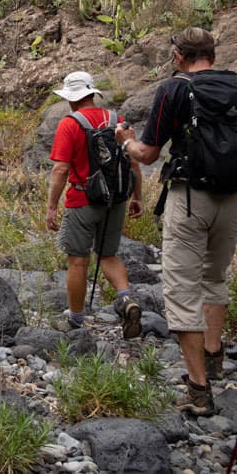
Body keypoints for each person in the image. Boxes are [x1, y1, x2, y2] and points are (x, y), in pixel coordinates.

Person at [115, 27, 237, 416]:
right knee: (214, 277)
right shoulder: (235, 85)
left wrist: (124, 141)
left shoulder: (175, 89)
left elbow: (148, 153)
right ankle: (214, 356)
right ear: (212, 54)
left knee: (183, 289)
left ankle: (199, 390)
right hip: (232, 197)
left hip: (189, 197)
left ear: (179, 54)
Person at [45, 71, 143, 337]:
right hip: (116, 199)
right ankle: (126, 298)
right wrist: (137, 196)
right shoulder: (116, 120)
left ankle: (76, 319)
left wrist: (52, 206)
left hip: (81, 199)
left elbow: (60, 169)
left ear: (71, 98)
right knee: (108, 254)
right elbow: (133, 162)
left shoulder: (69, 124)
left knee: (78, 261)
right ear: (92, 94)